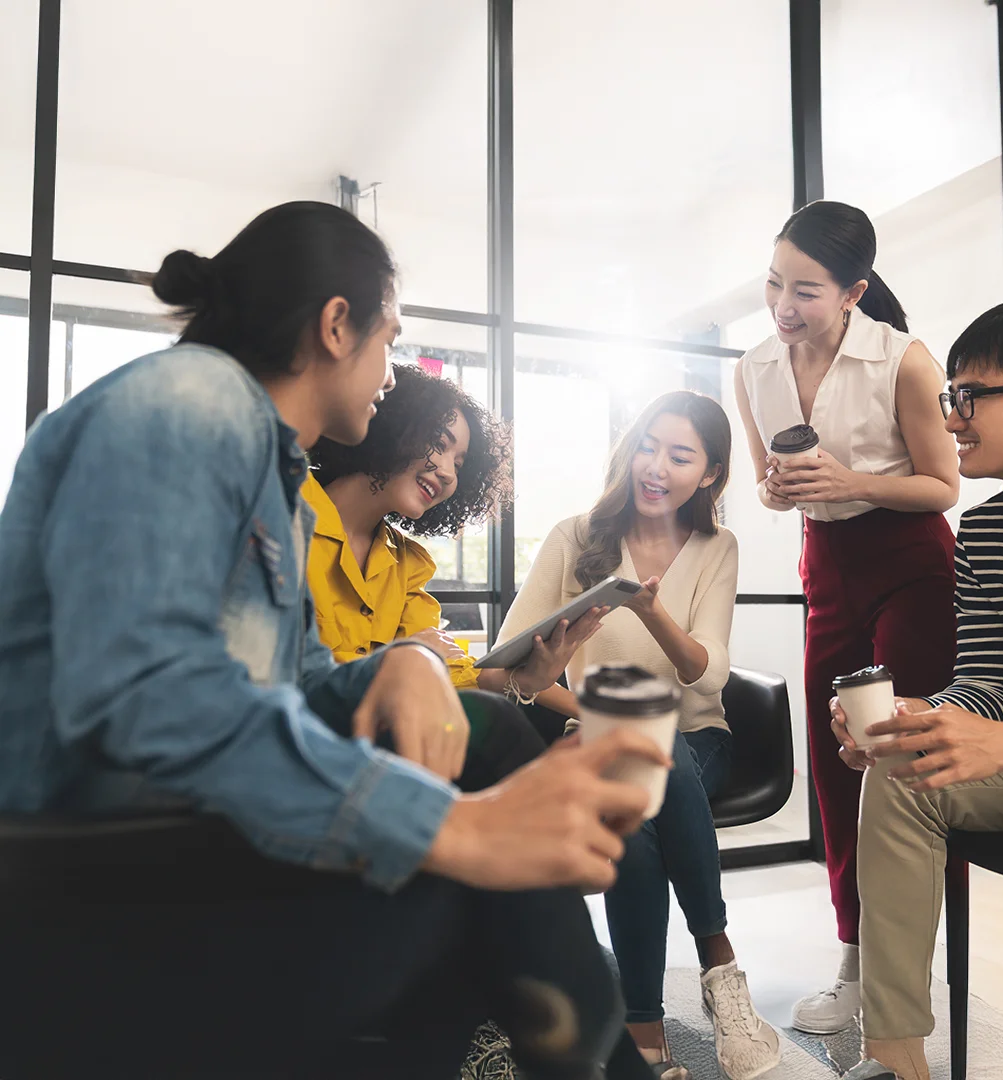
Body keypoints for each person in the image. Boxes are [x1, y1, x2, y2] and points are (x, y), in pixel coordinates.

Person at [0, 200, 668, 1080]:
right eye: (390, 337)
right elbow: (143, 693)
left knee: (490, 736)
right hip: (97, 878)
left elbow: (293, 686)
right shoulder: (190, 399)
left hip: (175, 839)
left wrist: (393, 667)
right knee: (460, 880)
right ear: (335, 323)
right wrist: (453, 830)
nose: (394, 371)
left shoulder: (266, 468)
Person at [497, 391, 781, 1080]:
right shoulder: (576, 536)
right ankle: (714, 971)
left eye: (680, 456)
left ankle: (651, 1022)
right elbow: (506, 667)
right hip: (599, 737)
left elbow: (707, 676)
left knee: (656, 753)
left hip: (700, 741)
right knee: (638, 778)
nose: (656, 466)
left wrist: (650, 611)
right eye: (648, 446)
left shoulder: (718, 547)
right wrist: (588, 709)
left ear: (709, 474)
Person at [831, 295, 1003, 1080]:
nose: (952, 418)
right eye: (951, 398)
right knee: (908, 772)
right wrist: (922, 718)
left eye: (970, 397)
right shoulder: (988, 533)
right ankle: (896, 1060)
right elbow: (985, 685)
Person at [732, 200, 960, 1034]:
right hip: (825, 567)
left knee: (908, 756)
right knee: (838, 764)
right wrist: (781, 488)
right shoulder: (754, 367)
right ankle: (857, 961)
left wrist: (848, 481)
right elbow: (764, 481)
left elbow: (944, 486)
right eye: (773, 283)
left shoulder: (904, 362)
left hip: (911, 564)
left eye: (806, 290)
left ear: (854, 290)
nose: (783, 306)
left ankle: (912, 971)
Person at [304, 362, 599, 714]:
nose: (446, 472)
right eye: (438, 444)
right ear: (393, 428)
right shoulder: (281, 508)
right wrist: (400, 660)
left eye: (458, 465)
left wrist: (526, 680)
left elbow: (453, 673)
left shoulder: (406, 565)